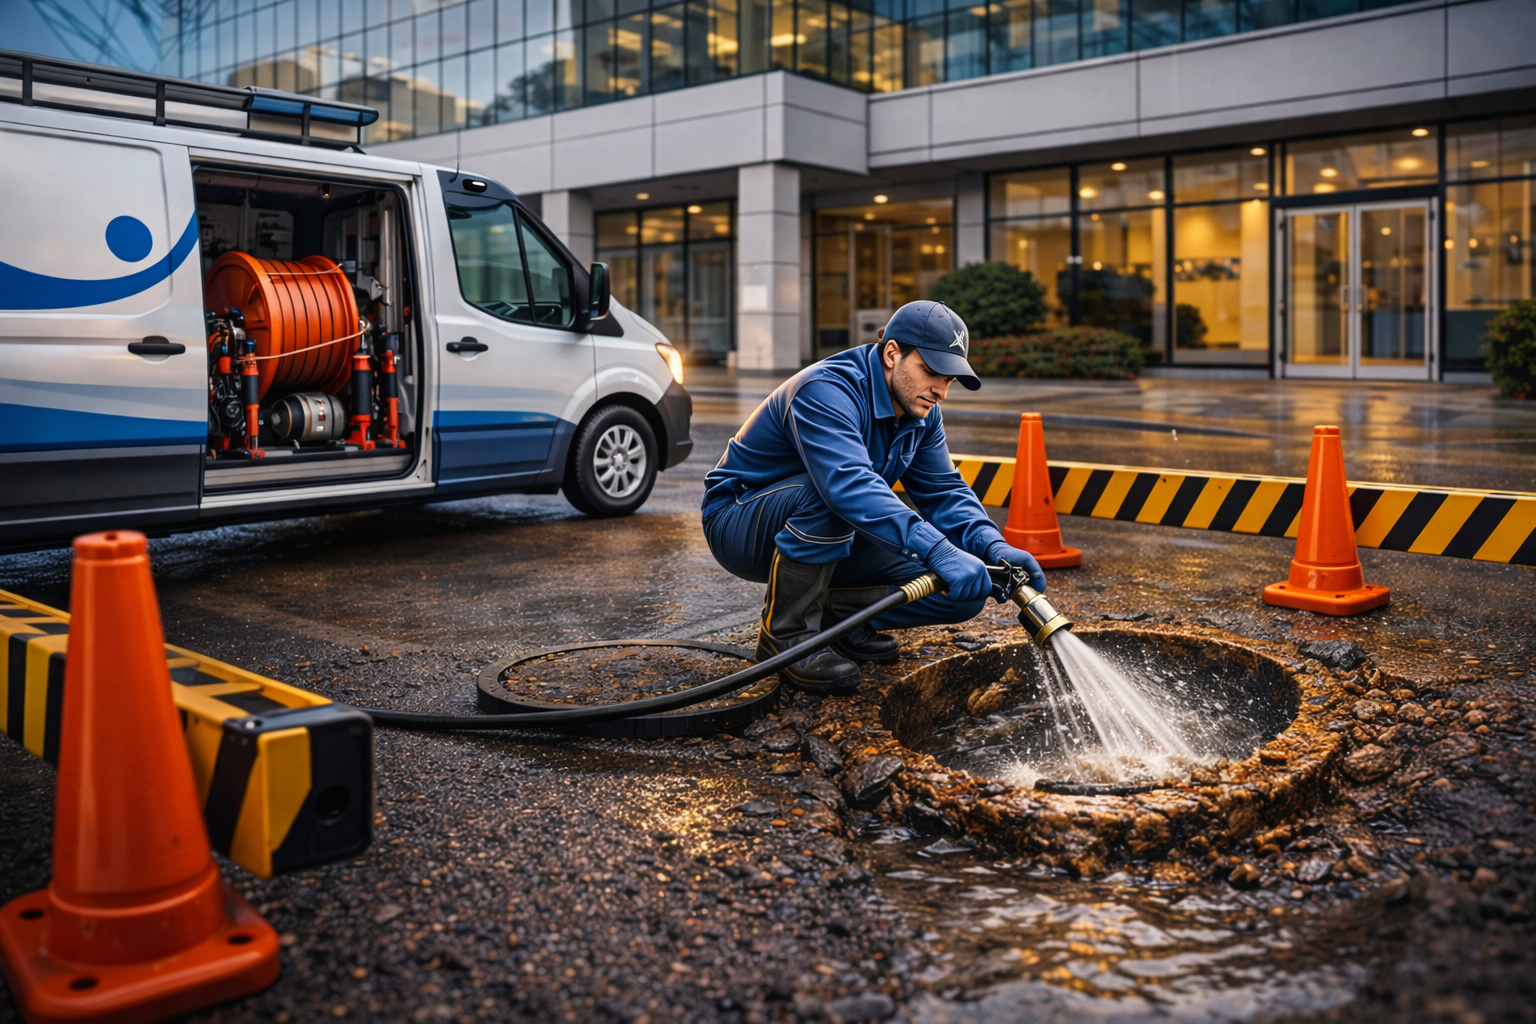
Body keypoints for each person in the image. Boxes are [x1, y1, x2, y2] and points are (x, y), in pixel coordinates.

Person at [702, 300, 1047, 692]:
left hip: (834, 523)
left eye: (950, 379)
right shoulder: (826, 390)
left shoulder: (922, 411)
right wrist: (938, 549)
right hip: (739, 520)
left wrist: (992, 547)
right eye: (932, 372)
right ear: (891, 353)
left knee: (965, 594)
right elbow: (849, 485)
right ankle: (787, 637)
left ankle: (836, 623)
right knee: (832, 495)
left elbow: (943, 490)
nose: (941, 390)